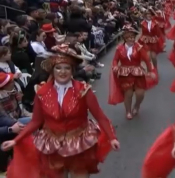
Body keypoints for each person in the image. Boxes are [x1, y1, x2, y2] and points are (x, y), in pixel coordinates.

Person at [1, 43, 120, 178]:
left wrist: (112, 138)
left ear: (72, 70)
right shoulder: (42, 92)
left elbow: (100, 116)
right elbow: (36, 121)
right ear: (52, 70)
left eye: (67, 68)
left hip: (79, 144)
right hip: (52, 146)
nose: (62, 72)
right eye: (58, 68)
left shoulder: (83, 90)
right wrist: (16, 140)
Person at [109, 24, 157, 120]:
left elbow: (147, 60)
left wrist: (151, 71)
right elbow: (115, 60)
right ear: (125, 38)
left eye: (132, 37)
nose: (131, 39)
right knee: (128, 94)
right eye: (129, 37)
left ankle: (137, 105)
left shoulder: (139, 47)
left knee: (140, 93)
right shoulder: (119, 48)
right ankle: (128, 111)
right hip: (125, 73)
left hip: (138, 71)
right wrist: (115, 66)